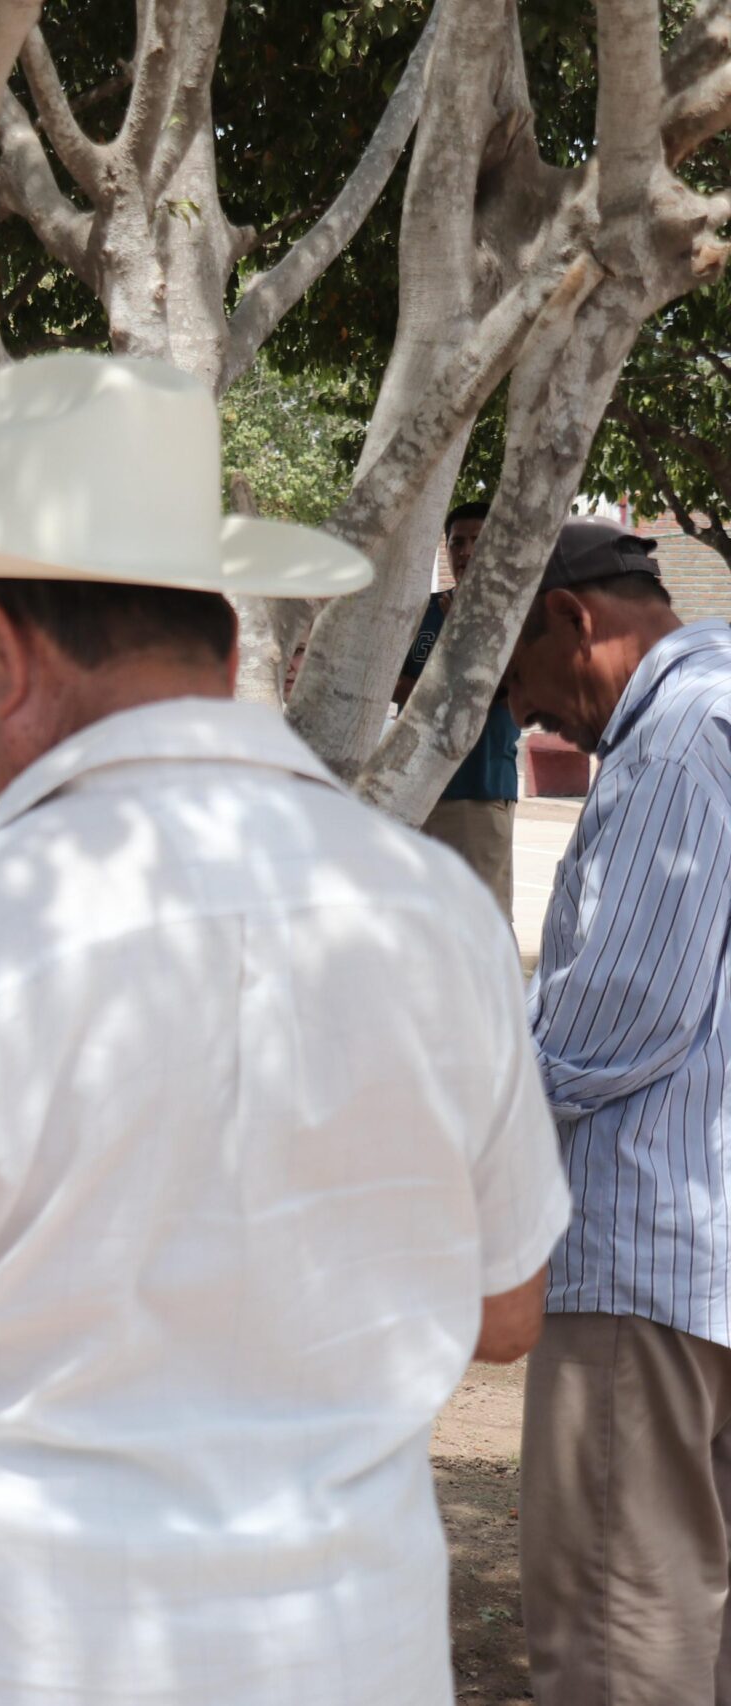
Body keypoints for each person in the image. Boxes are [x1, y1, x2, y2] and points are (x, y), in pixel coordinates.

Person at [0, 353, 571, 1705]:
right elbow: (508, 1308)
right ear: (218, 639)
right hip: (351, 1655)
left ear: (4, 650)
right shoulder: (433, 906)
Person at [497, 519, 731, 1704]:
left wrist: (472, 1122)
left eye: (524, 680)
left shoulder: (675, 740)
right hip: (698, 1262)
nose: (530, 718)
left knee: (619, 1636)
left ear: (574, 619)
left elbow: (622, 1010)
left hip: (645, 1262)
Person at [395, 499, 524, 914]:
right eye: (458, 542)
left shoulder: (514, 615)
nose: (466, 551)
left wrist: (459, 637)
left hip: (479, 792)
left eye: (478, 540)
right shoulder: (424, 611)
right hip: (414, 792)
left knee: (479, 921)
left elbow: (497, 689)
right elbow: (392, 682)